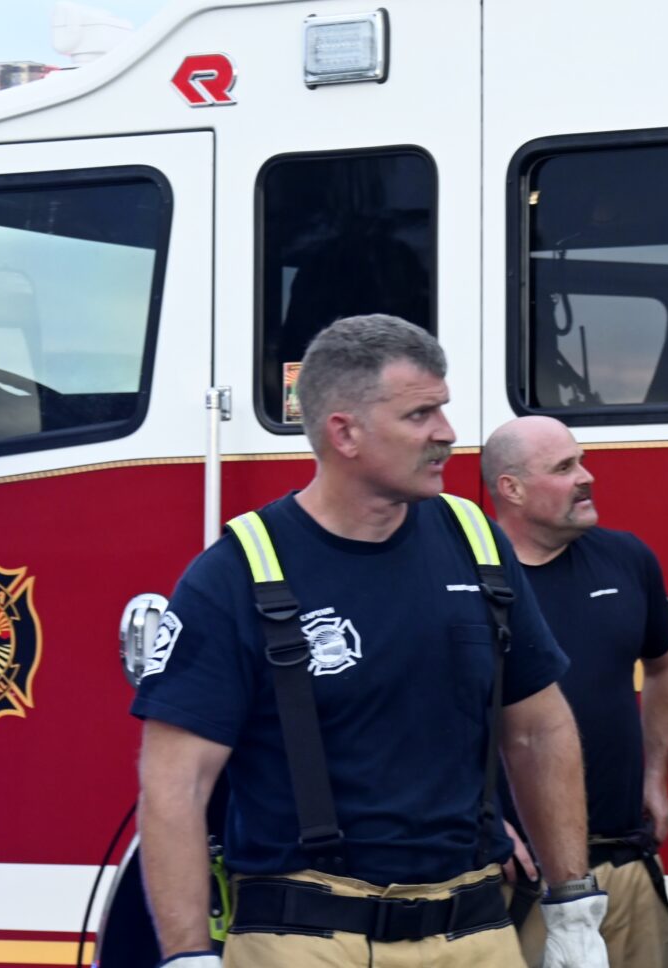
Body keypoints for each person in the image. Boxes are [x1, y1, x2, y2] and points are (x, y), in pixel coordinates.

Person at [132, 316, 610, 968]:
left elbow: (538, 732)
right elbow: (176, 783)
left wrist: (573, 907)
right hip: (306, 943)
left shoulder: (476, 545)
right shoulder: (236, 573)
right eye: (420, 414)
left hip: (475, 934)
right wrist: (188, 955)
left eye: (443, 408)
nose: (447, 432)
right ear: (345, 433)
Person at [481, 415, 668, 968]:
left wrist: (656, 775)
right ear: (511, 488)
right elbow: (419, 715)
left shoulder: (626, 558)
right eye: (564, 468)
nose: (587, 477)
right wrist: (480, 817)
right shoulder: (468, 579)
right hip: (520, 879)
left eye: (581, 461)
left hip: (625, 863)